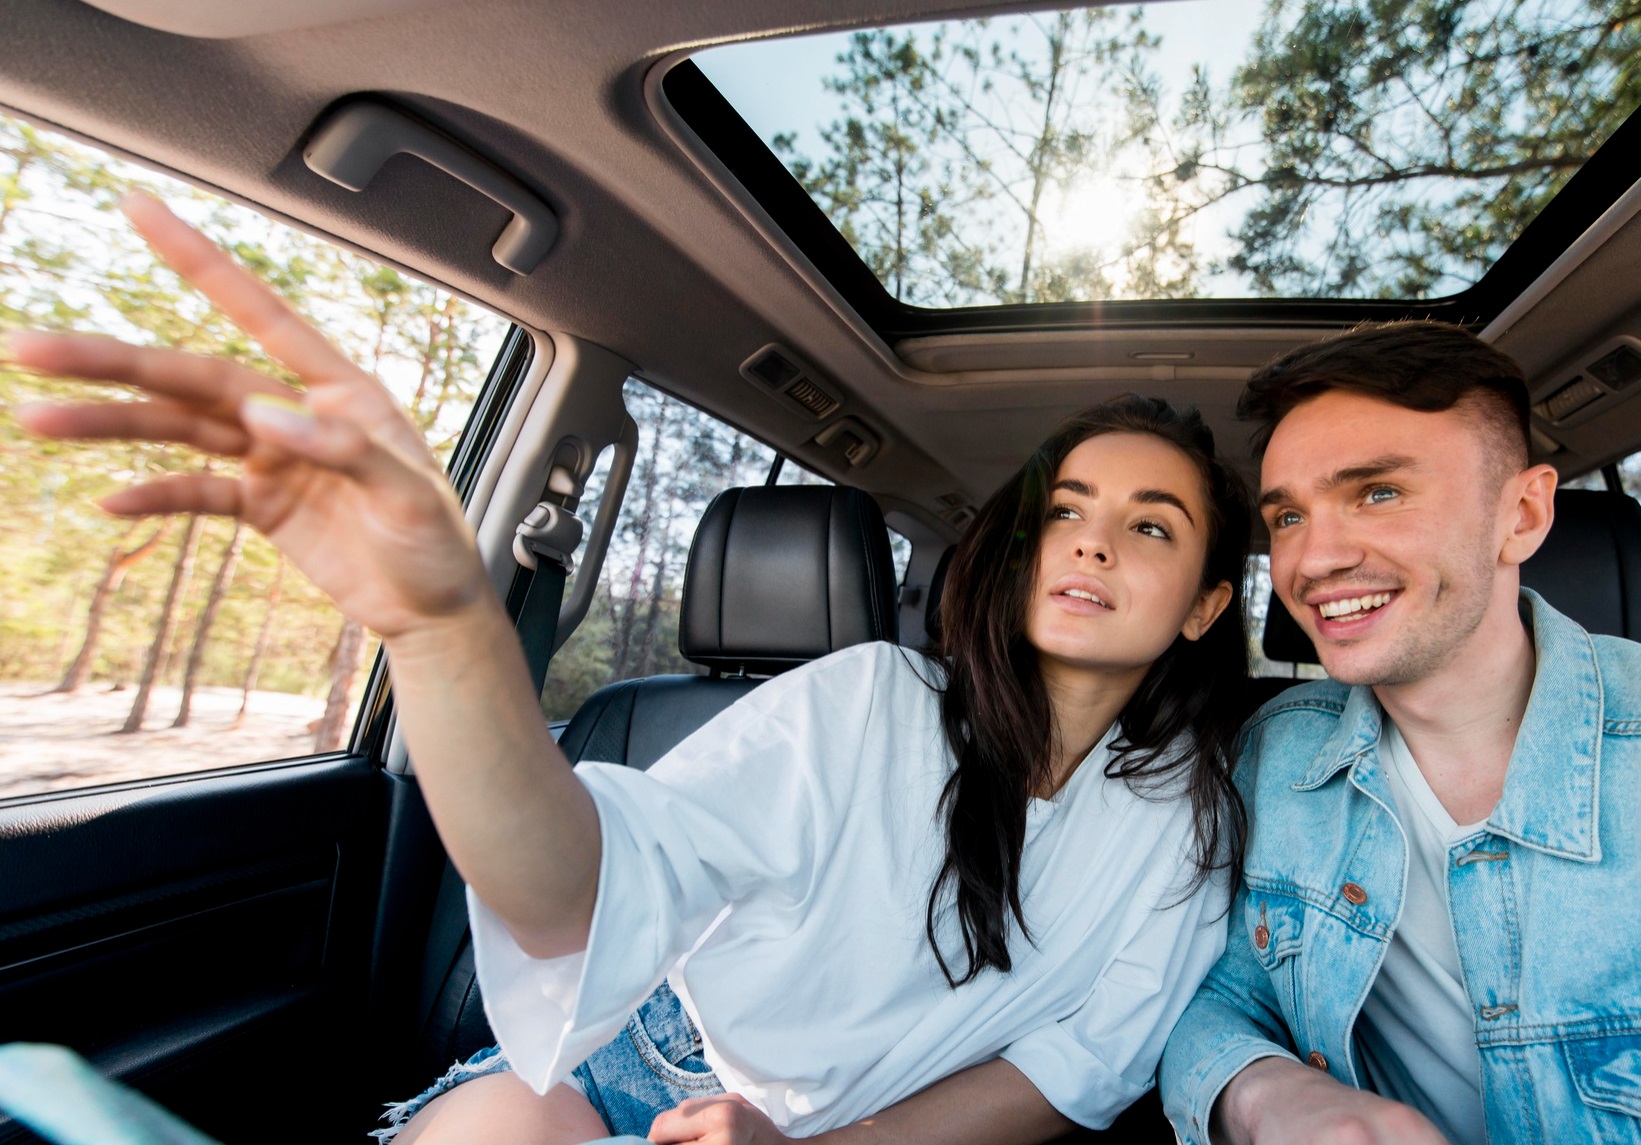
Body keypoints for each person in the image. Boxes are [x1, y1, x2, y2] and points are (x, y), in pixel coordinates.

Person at [13, 194, 1253, 1145]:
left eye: (1151, 526)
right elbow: (580, 895)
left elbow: (1072, 1067)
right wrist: (446, 635)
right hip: (634, 1055)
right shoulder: (871, 700)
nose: (1091, 540)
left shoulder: (1189, 828)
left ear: (1207, 605)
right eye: (1063, 508)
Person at [1158, 320, 1641, 1145]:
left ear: (1522, 514)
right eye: (1287, 516)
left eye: (1377, 493)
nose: (1313, 560)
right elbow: (1221, 994)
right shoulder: (1270, 756)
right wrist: (1265, 1093)